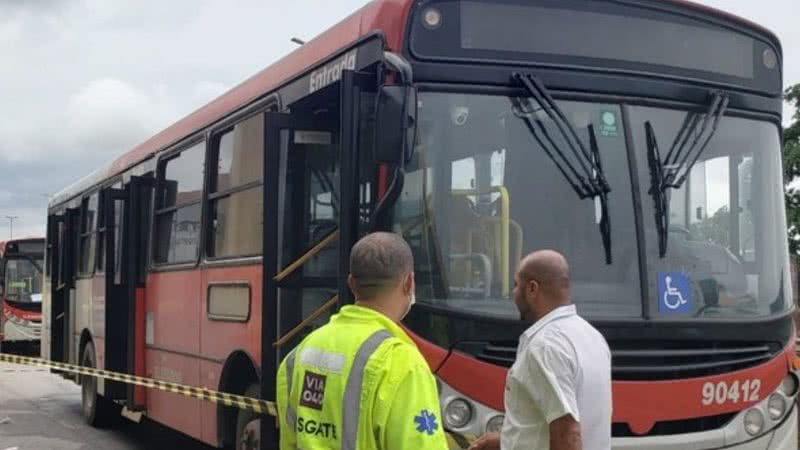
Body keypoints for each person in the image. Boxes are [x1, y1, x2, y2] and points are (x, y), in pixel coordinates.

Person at [276, 232, 448, 450]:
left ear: (351, 283)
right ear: (409, 282)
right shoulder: (401, 364)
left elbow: (290, 439)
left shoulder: (302, 351)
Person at [469, 250, 612, 450]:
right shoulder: (591, 336)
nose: (513, 293)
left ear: (532, 289)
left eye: (516, 285)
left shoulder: (544, 347)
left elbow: (568, 433)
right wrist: (505, 441)